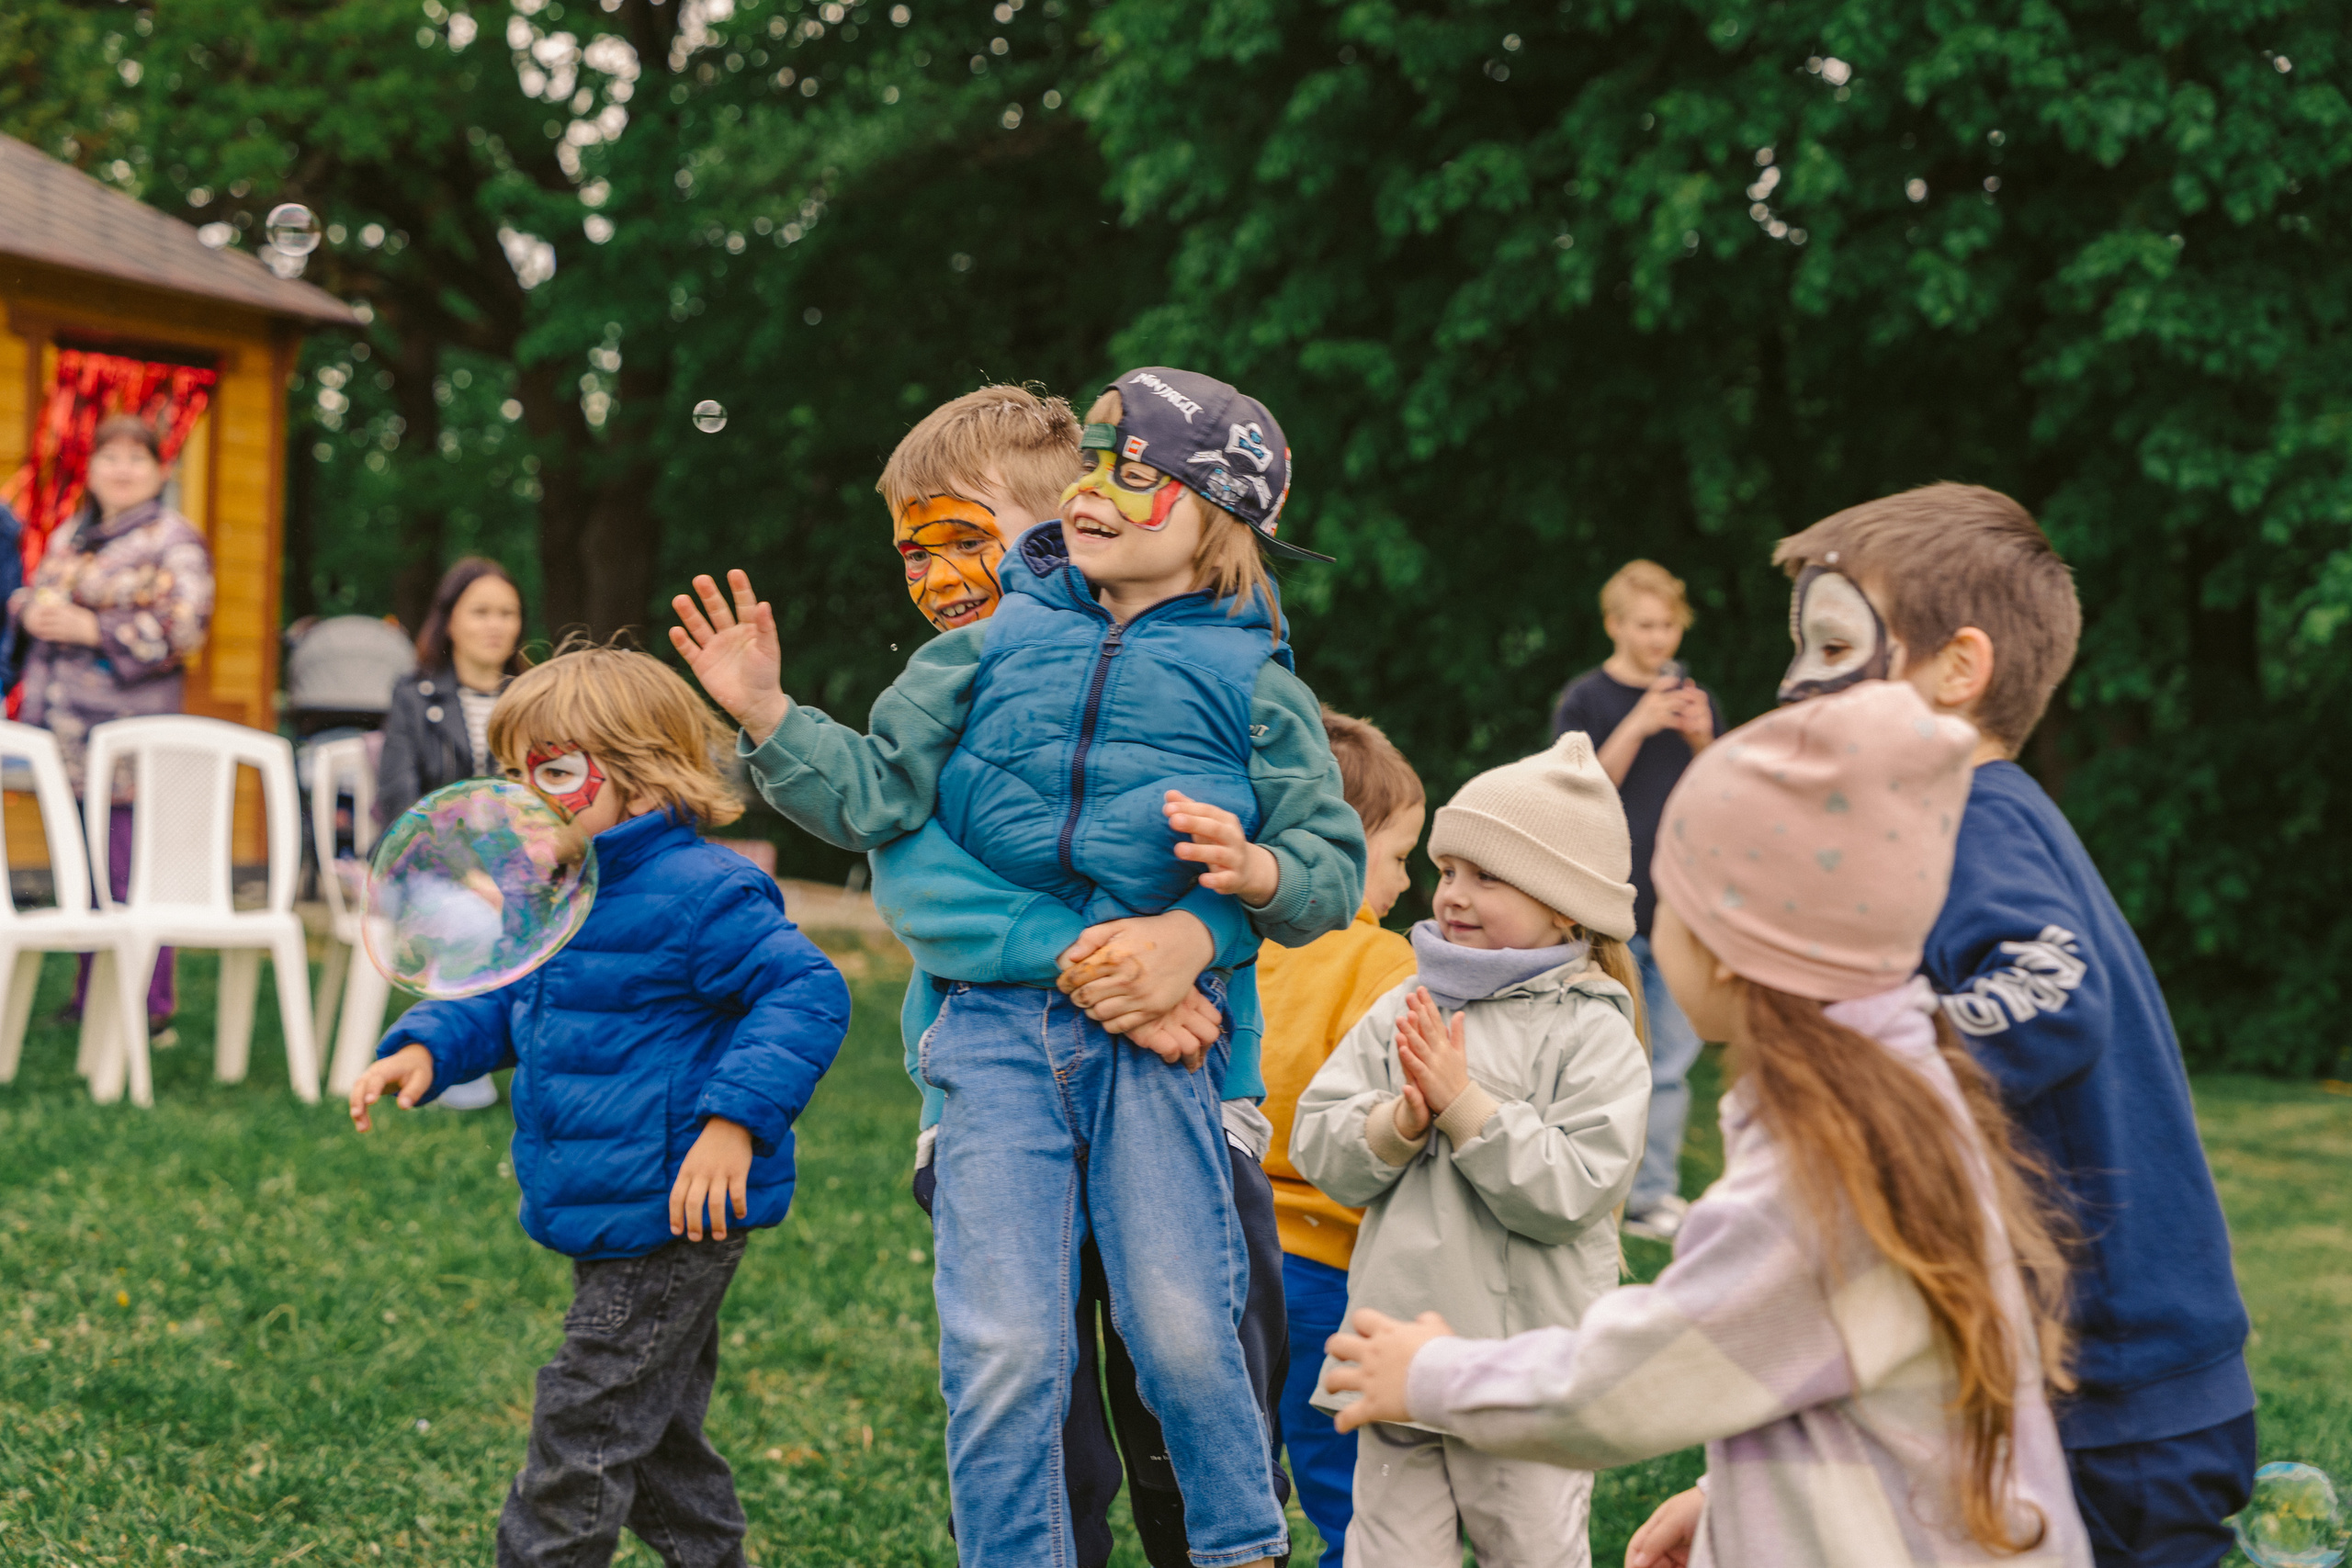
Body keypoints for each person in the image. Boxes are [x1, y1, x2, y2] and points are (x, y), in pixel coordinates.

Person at [674, 367, 1365, 1568]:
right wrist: (770, 714)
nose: (1095, 491)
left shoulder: (1253, 683)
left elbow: (1321, 865)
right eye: (915, 552)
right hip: (994, 1054)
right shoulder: (974, 660)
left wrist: (1219, 909)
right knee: (1013, 1363)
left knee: (1183, 1348)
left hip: (1187, 1072)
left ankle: (1238, 1548)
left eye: (1125, 474)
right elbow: (882, 817)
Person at [1324, 681, 2092, 1568]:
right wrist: (1723, 1501)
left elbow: (1637, 1381)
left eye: (1671, 902)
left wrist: (1431, 1371)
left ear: (1729, 948)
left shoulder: (1815, 1180)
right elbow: (1830, 1366)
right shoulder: (1899, 1101)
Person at [847, 383, 1297, 1568]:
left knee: (1190, 1383)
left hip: (1195, 1097)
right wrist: (1111, 967)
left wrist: (1189, 939)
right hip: (995, 1105)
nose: (938, 577)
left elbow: (1271, 858)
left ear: (1069, 528)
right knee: (1025, 1399)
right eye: (912, 553)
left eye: (962, 537)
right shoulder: (933, 711)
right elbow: (920, 885)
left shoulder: (1202, 670)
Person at [1770, 485, 2256, 1568]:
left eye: (1833, 646)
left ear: (1958, 669)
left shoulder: (1971, 812)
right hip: (2102, 1388)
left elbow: (2051, 993)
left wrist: (1875, 1055)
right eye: (1797, 649)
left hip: (2114, 1396)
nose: (1794, 680)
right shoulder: (1971, 817)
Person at [347, 644, 850, 1568]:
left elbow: (806, 992)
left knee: (581, 1430)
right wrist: (427, 1044)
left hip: (672, 1211)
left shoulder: (703, 893)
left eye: (553, 773)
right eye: (512, 774)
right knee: (654, 1442)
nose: (523, 798)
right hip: (608, 1201)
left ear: (644, 776)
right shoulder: (551, 888)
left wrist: (734, 1122)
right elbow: (509, 992)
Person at [1291, 731, 1650, 1568]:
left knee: (1530, 1551)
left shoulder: (1592, 1029)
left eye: (1487, 875)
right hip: (1398, 1355)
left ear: (1564, 904)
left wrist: (1466, 1109)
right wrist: (1398, 1124)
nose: (1453, 893)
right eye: (1449, 869)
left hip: (1525, 1373)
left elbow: (1575, 1189)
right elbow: (1319, 1141)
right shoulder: (1406, 1002)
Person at [1255, 709, 1424, 1567]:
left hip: (1227, 1251)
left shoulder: (1234, 942)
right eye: (1398, 856)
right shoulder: (1384, 962)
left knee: (1238, 1476)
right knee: (1349, 1490)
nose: (1406, 880)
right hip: (1332, 1265)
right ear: (1343, 842)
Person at [14, 413, 215, 1037]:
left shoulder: (172, 539)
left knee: (131, 874)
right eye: (110, 457)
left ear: (161, 470)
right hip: (64, 738)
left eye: (136, 458)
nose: (122, 469)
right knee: (83, 875)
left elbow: (187, 625)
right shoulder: (72, 535)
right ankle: (92, 998)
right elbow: (32, 594)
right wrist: (30, 612)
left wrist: (92, 628)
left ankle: (148, 1009)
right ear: (92, 468)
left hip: (131, 744)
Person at [1547, 559, 1722, 1245]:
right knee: (1597, 1057)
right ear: (1614, 625)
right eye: (1645, 625)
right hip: (1604, 911)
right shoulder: (1586, 700)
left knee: (1669, 1064)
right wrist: (1639, 723)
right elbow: (1573, 790)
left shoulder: (1696, 703)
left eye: (1669, 625)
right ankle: (1583, 1185)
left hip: (1681, 912)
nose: (1659, 638)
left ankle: (1650, 1198)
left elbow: (1725, 794)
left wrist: (1703, 739)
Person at [375, 557, 527, 1110]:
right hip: (420, 871)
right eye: (481, 612)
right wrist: (471, 876)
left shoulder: (533, 698)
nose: (496, 625)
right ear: (450, 621)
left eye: (507, 613)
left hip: (516, 872)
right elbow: (402, 806)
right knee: (474, 920)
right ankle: (459, 1075)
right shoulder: (414, 696)